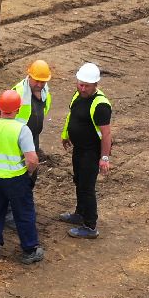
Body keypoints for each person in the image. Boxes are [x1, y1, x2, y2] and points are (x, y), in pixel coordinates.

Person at [0, 89, 41, 264]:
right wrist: (29, 171)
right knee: (24, 212)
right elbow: (32, 159)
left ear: (0, 107)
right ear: (18, 109)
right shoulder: (21, 129)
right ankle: (30, 250)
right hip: (16, 178)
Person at [59, 62, 113, 238]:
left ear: (95, 85)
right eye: (80, 84)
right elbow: (72, 115)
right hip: (79, 149)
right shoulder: (78, 95)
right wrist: (66, 134)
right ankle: (80, 213)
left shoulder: (101, 105)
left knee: (87, 187)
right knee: (79, 182)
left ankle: (90, 226)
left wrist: (104, 158)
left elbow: (106, 134)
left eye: (86, 86)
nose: (82, 88)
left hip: (91, 152)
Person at [0, 59, 54, 163]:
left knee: (32, 170)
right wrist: (7, 132)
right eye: (36, 80)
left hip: (33, 139)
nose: (39, 84)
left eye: (42, 81)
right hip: (18, 140)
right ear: (29, 77)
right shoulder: (18, 92)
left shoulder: (44, 92)